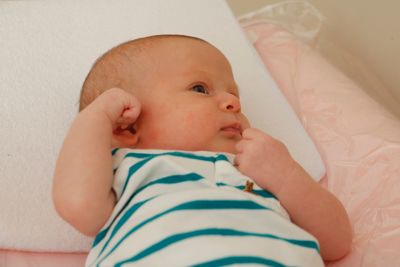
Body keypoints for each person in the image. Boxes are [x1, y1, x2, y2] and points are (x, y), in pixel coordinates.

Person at [53, 35, 351, 266]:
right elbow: (77, 205)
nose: (233, 103)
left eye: (234, 95)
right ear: (127, 127)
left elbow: (337, 243)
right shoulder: (132, 171)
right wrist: (97, 117)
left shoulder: (257, 171)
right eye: (200, 89)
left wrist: (287, 177)